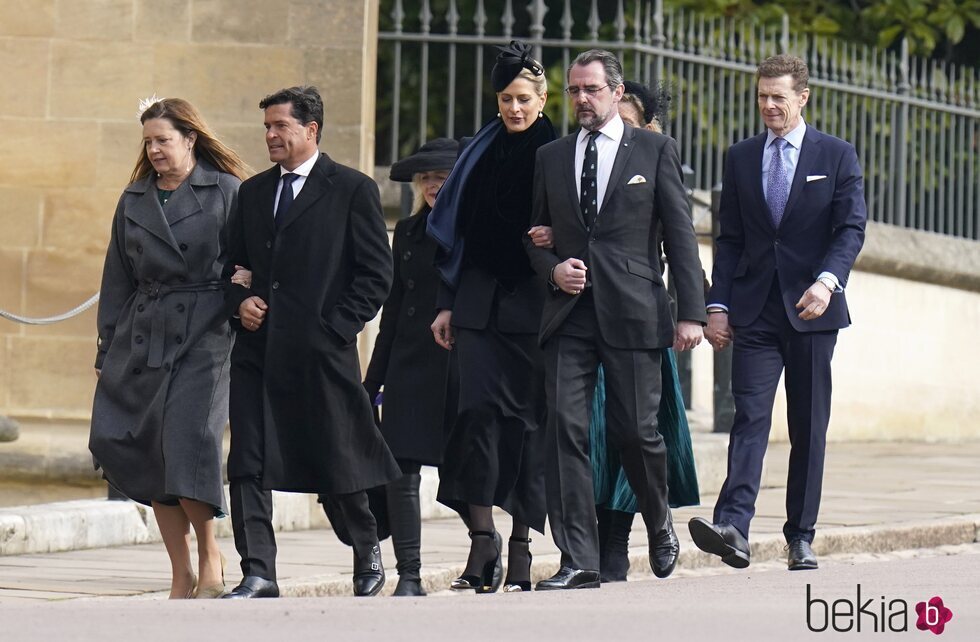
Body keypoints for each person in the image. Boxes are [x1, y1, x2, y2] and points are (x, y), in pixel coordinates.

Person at [525, 50, 706, 590]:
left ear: (614, 91)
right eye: (574, 90)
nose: (582, 99)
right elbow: (534, 236)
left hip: (634, 311)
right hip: (569, 316)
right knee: (565, 432)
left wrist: (691, 313)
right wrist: (554, 270)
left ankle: (658, 520)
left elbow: (680, 235)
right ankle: (578, 558)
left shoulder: (654, 149)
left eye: (592, 90)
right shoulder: (551, 157)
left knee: (636, 432)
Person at [221, 86, 401, 599]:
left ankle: (366, 547)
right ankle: (258, 571)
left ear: (311, 130)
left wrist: (334, 330)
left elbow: (374, 275)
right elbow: (230, 268)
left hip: (321, 354)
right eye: (267, 128)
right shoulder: (252, 193)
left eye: (280, 126)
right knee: (247, 463)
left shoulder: (352, 189)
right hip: (257, 354)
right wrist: (240, 304)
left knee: (336, 457)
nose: (271, 136)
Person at [689, 54, 866, 572]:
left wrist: (828, 283)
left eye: (778, 97)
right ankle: (733, 528)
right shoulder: (741, 157)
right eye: (762, 95)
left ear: (802, 98)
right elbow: (730, 237)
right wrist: (717, 305)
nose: (768, 105)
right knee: (750, 417)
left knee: (808, 425)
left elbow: (850, 230)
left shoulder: (836, 155)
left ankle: (801, 535)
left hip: (812, 311)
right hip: (756, 312)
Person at [90, 97, 249, 599]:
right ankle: (180, 570)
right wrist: (106, 350)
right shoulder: (134, 199)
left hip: (206, 332)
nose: (155, 149)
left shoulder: (227, 191)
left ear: (190, 139)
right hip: (144, 331)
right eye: (148, 142)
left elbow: (252, 256)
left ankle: (210, 557)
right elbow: (116, 279)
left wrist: (245, 282)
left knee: (191, 442)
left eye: (163, 139)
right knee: (148, 449)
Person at [427, 40, 556, 593]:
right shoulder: (479, 151)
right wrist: (448, 301)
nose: (514, 109)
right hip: (478, 303)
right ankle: (483, 541)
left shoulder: (560, 151)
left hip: (533, 306)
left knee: (526, 425)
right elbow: (461, 232)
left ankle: (523, 544)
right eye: (505, 98)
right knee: (473, 416)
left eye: (523, 98)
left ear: (543, 97)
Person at [359, 138, 460, 596]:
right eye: (427, 178)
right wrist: (372, 380)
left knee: (467, 472)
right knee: (401, 472)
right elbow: (394, 308)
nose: (435, 185)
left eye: (444, 177)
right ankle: (410, 574)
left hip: (458, 364)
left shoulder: (472, 230)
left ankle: (486, 545)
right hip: (407, 365)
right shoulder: (407, 232)